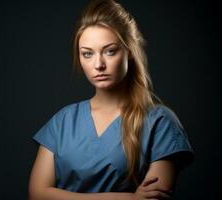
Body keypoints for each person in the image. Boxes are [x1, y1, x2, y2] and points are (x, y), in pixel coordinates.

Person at [28, 0, 194, 199]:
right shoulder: (63, 121)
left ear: (129, 52)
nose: (98, 64)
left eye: (110, 51)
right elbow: (37, 195)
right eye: (87, 54)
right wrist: (126, 198)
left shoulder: (160, 122)